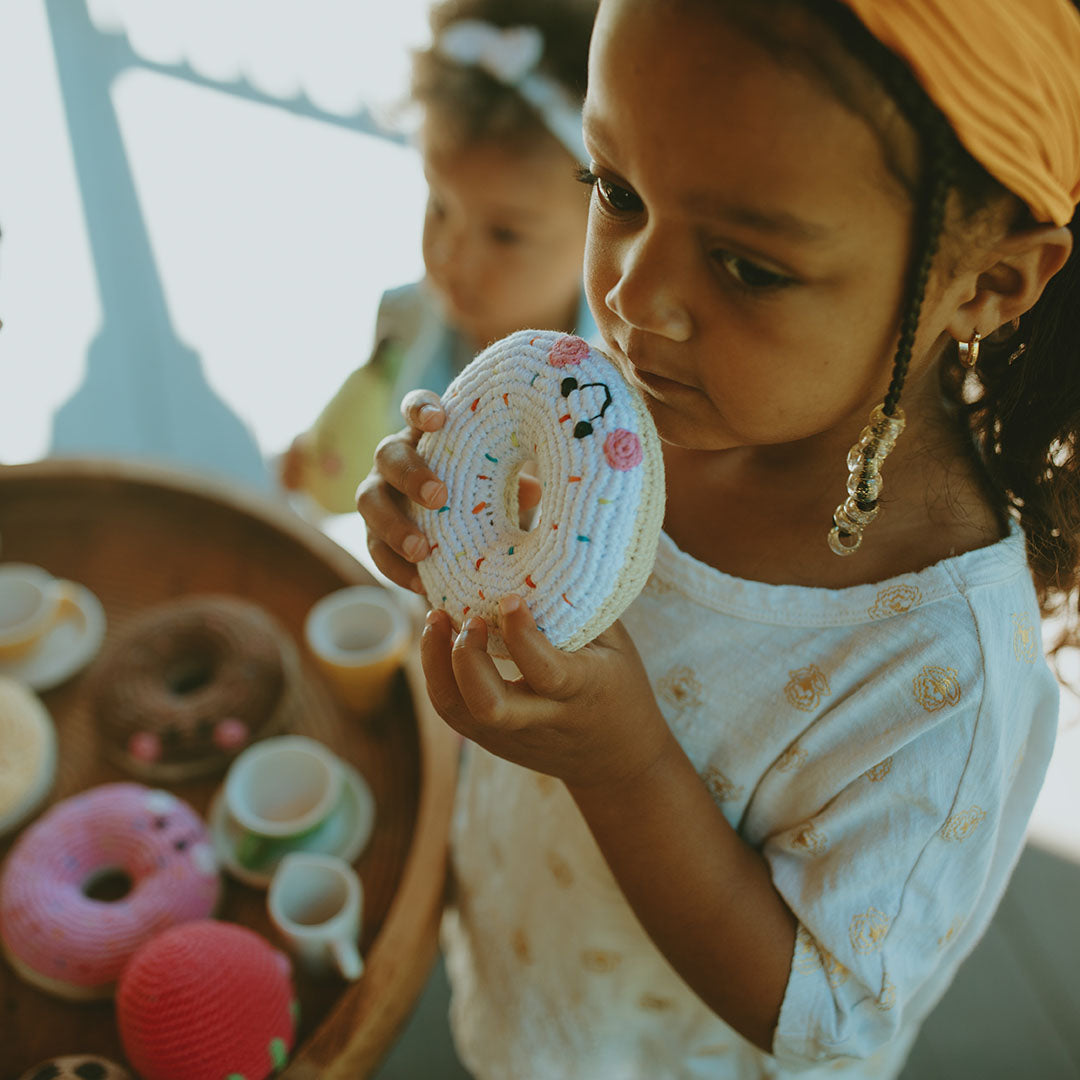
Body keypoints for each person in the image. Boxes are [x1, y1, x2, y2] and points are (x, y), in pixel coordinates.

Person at [358, 0, 1080, 1075]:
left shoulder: (945, 672)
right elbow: (526, 596)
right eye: (617, 191)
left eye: (748, 266)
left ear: (986, 283)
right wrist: (445, 539)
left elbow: (833, 1020)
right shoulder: (648, 392)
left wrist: (623, 763)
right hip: (521, 961)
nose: (633, 298)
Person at [280, 0, 599, 514]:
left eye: (504, 234)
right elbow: (369, 440)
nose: (450, 255)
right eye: (440, 205)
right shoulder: (404, 317)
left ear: (602, 227)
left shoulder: (607, 395)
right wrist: (324, 464)